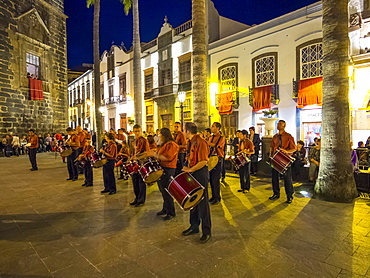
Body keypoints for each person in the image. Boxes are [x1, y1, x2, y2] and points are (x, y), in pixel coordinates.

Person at [182, 122, 212, 243]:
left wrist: (190, 169)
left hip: (200, 173)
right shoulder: (190, 142)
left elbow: (204, 161)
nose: (183, 133)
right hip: (193, 172)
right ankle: (194, 226)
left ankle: (206, 231)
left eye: (184, 130)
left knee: (203, 202)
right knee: (193, 200)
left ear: (188, 131)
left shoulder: (201, 142)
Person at [148, 128, 179, 220]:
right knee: (162, 190)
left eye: (160, 134)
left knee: (167, 191)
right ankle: (165, 208)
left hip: (168, 168)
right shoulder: (164, 144)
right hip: (162, 168)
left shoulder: (172, 145)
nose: (159, 136)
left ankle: (171, 212)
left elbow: (168, 158)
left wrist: (155, 155)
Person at [269, 120, 296, 204]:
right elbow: (272, 147)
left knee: (287, 178)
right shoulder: (275, 136)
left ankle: (289, 195)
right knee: (274, 177)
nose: (278, 125)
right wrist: (271, 155)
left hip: (285, 159)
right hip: (275, 158)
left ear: (284, 125)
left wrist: (286, 151)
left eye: (280, 124)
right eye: (278, 124)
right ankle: (276, 193)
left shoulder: (288, 136)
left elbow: (294, 148)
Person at [130, 124, 150, 207]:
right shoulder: (134, 141)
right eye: (135, 131)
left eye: (138, 131)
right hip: (135, 163)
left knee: (141, 182)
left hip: (141, 163)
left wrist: (139, 156)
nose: (137, 133)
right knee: (135, 181)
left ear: (141, 131)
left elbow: (147, 152)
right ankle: (137, 197)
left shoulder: (144, 140)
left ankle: (141, 199)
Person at [207, 122, 225, 205]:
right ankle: (213, 196)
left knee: (215, 179)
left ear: (218, 128)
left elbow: (216, 145)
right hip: (211, 159)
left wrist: (206, 142)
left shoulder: (221, 137)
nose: (211, 128)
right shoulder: (211, 137)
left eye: (213, 126)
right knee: (211, 178)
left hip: (217, 159)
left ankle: (217, 197)